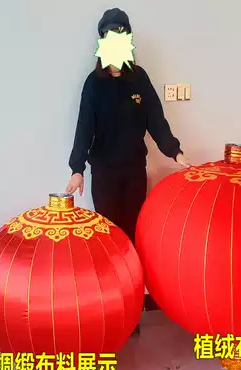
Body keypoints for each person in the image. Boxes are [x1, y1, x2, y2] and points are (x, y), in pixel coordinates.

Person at [65, 8, 190, 335]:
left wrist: (174, 151)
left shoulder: (139, 79)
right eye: (109, 37)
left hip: (134, 171)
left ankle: (131, 310)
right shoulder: (94, 84)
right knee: (109, 240)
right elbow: (84, 128)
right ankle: (110, 308)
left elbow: (156, 120)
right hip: (104, 174)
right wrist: (77, 169)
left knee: (132, 240)